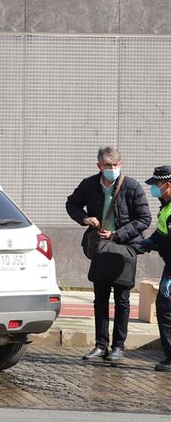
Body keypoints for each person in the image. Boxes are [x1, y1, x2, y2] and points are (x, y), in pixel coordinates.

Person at [66, 145, 152, 364]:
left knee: (122, 299)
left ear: (120, 164)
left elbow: (144, 219)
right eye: (107, 165)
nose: (112, 168)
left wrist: (118, 233)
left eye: (115, 165)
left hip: (124, 248)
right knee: (100, 299)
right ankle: (100, 344)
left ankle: (118, 347)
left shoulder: (131, 186)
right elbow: (72, 204)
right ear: (99, 166)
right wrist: (85, 219)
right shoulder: (89, 184)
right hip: (101, 248)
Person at [131, 164, 171, 372]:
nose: (154, 187)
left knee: (165, 310)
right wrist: (149, 243)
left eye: (157, 183)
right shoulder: (166, 206)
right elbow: (163, 234)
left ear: (168, 184)